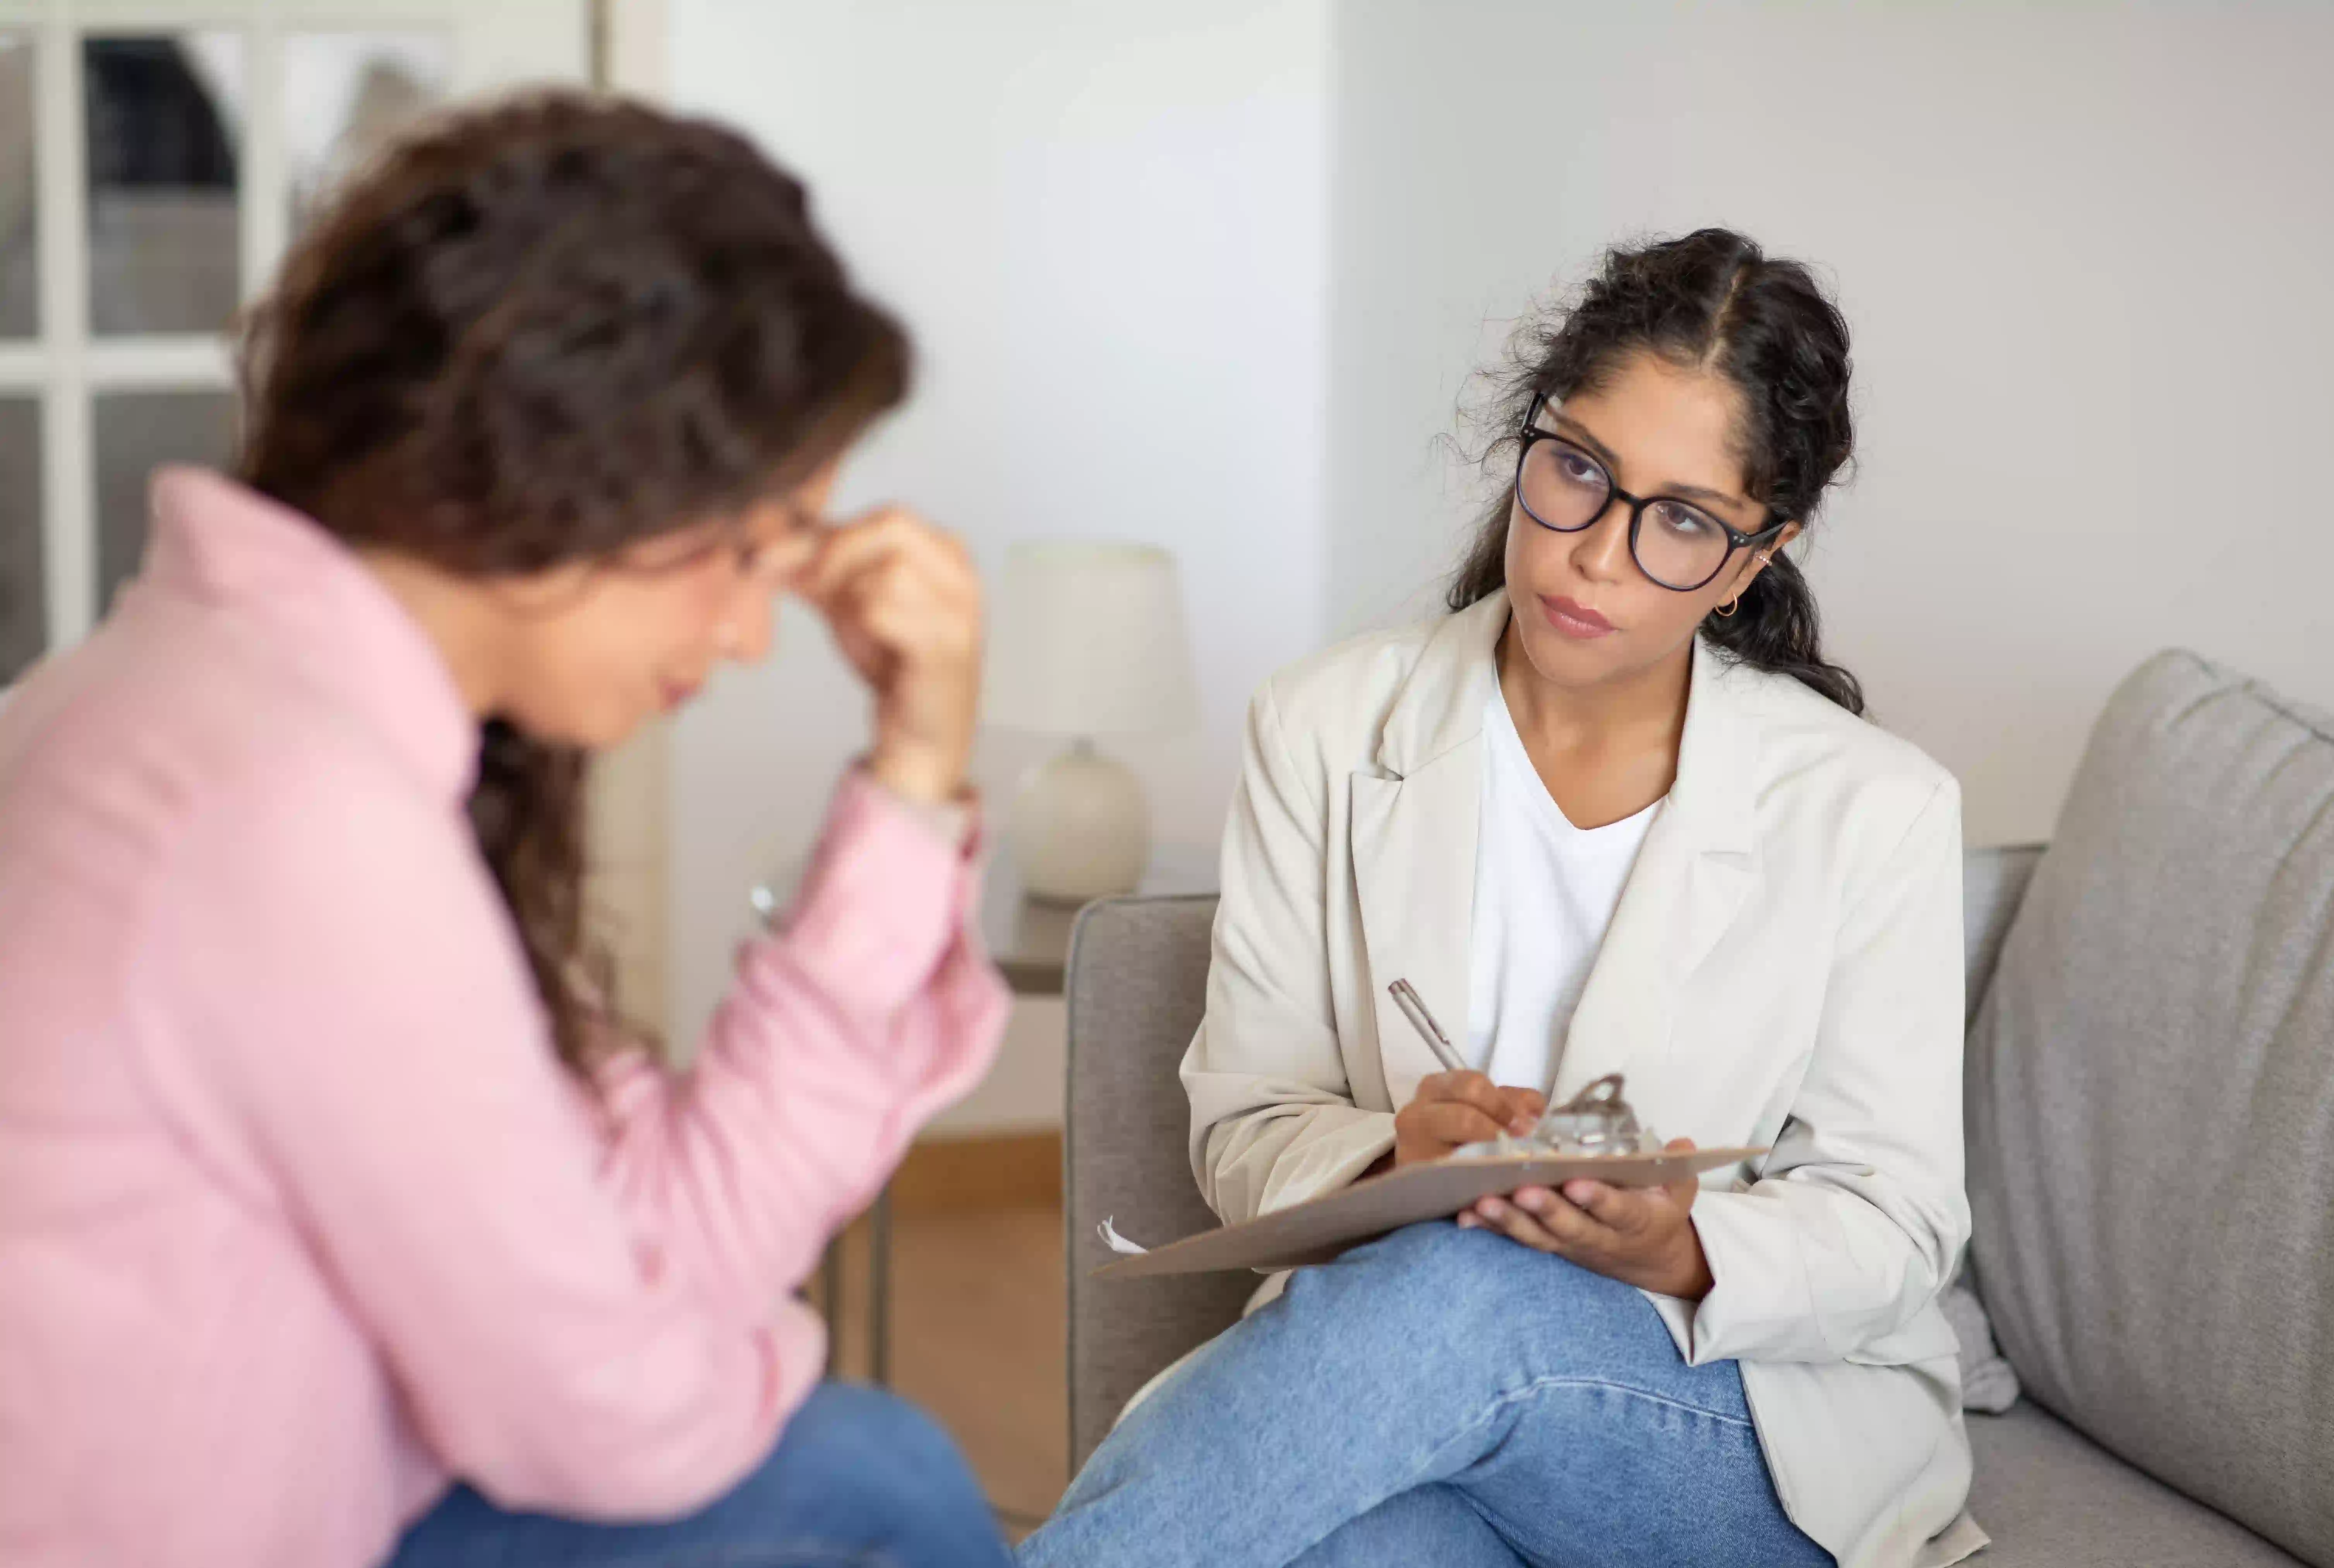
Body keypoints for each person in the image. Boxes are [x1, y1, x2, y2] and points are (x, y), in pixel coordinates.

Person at [0, 95, 1015, 1568]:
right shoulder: (290, 813)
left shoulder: (212, 697)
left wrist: (914, 775)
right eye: (745, 548)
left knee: (854, 1462)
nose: (747, 634)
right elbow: (615, 1424)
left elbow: (670, 1227)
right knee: (860, 1474)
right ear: (559, 467)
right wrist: (740, 1353)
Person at [1020, 229, 1983, 1568]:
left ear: (1757, 555)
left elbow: (1897, 1228)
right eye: (1577, 471)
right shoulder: (1326, 724)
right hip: (1426, 1393)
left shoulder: (1873, 809)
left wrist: (1674, 1246)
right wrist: (1389, 1157)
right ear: (1529, 442)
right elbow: (1246, 1119)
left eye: (1683, 521)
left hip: (1736, 1437)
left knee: (1470, 1290)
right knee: (1365, 1542)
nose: (1594, 555)